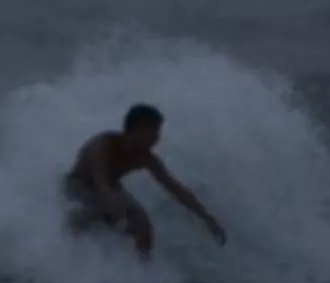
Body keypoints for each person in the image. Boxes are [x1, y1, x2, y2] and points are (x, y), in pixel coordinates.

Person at [63, 103, 226, 260]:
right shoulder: (103, 145)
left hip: (111, 187)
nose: (157, 138)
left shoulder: (145, 157)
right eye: (154, 132)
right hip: (79, 185)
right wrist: (111, 201)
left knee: (142, 223)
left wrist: (207, 218)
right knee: (97, 212)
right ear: (137, 130)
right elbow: (100, 179)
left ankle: (143, 266)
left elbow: (175, 188)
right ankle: (69, 248)